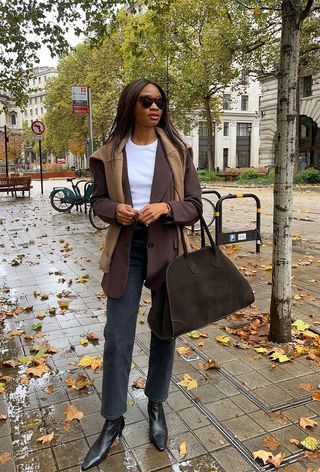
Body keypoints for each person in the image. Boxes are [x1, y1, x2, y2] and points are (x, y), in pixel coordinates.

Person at [81, 78, 202, 470]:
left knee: (165, 331)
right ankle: (112, 420)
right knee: (118, 336)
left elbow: (195, 205)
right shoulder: (111, 153)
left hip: (167, 250)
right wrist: (114, 210)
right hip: (126, 252)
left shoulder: (178, 152)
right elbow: (97, 200)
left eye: (161, 102)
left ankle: (155, 406)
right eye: (147, 101)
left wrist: (166, 208)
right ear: (131, 104)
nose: (155, 108)